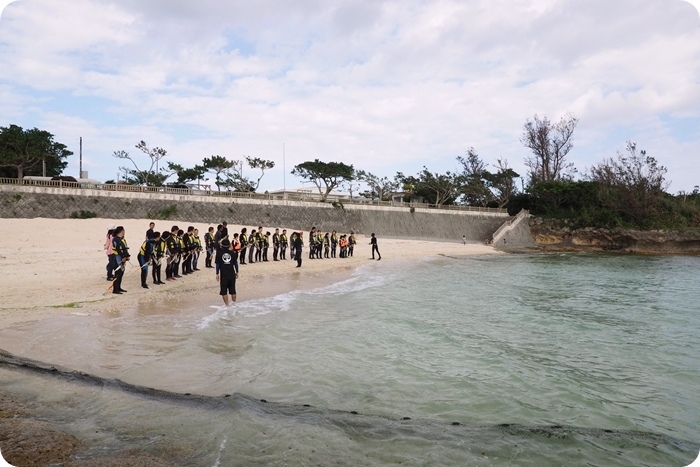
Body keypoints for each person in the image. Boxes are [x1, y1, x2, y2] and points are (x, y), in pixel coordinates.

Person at [215, 238, 239, 307]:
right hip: (231, 273)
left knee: (224, 291)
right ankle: (233, 304)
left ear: (222, 245)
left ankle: (227, 305)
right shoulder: (232, 253)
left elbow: (218, 264)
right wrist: (237, 272)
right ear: (229, 245)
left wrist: (217, 273)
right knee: (233, 290)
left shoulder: (219, 253)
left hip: (224, 274)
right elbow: (235, 264)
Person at [111, 226, 130, 294]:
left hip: (122, 257)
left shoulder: (121, 239)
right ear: (121, 231)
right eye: (123, 231)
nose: (124, 232)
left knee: (121, 273)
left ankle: (119, 287)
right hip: (117, 258)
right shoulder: (115, 239)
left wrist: (127, 256)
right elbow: (118, 249)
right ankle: (115, 289)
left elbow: (124, 248)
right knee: (117, 273)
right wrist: (123, 258)